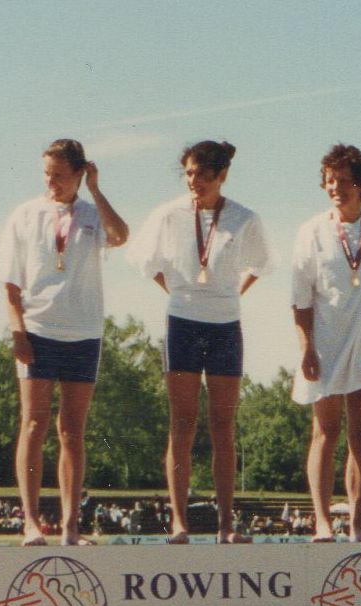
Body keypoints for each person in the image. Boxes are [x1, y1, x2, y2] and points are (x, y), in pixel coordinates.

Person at [130, 140, 277, 544]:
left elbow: (263, 264)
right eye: (189, 173)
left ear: (222, 175)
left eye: (203, 175)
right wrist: (178, 292)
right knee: (182, 423)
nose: (194, 182)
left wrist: (232, 293)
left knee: (223, 425)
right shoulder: (168, 214)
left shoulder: (244, 218)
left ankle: (226, 525)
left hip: (225, 325)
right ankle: (179, 523)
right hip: (182, 323)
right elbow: (145, 262)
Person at [0, 138, 128, 546]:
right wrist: (17, 332)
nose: (51, 182)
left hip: (83, 333)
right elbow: (10, 284)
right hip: (37, 330)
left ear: (80, 173)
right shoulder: (25, 214)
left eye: (60, 175)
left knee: (72, 430)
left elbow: (120, 235)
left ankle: (71, 526)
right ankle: (31, 522)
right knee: (33, 424)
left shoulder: (91, 214)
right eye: (47, 175)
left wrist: (96, 191)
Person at [291, 144, 361, 543]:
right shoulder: (311, 231)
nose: (336, 187)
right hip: (326, 344)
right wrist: (306, 347)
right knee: (325, 432)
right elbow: (300, 298)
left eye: (344, 180)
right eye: (330, 181)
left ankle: (357, 524)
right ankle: (322, 522)